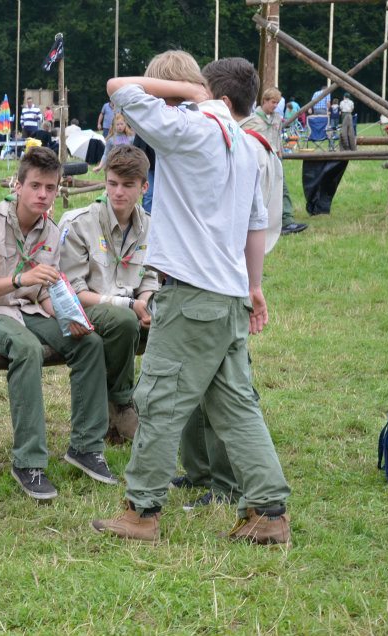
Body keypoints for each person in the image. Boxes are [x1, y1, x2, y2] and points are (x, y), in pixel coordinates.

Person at [91, 52, 292, 546]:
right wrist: (254, 286)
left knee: (158, 402)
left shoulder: (190, 129)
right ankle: (268, 511)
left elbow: (118, 85)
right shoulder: (248, 146)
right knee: (237, 407)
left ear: (204, 93)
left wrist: (188, 93)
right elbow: (255, 224)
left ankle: (141, 512)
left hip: (190, 296)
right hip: (227, 299)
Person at [0, 147, 118, 500]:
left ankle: (86, 448)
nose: (43, 195)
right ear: (17, 185)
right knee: (26, 348)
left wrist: (67, 316)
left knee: (89, 344)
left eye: (50, 187)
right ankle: (28, 462)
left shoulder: (52, 231)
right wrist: (19, 281)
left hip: (27, 309)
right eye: (35, 186)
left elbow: (44, 291)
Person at [58, 145, 158, 444]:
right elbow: (73, 292)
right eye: (112, 183)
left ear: (144, 186)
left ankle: (160, 409)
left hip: (132, 308)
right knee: (124, 321)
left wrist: (150, 303)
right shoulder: (78, 223)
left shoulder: (150, 226)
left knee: (175, 322)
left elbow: (150, 277)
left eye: (128, 186)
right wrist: (131, 304)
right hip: (87, 306)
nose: (118, 193)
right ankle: (122, 403)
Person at [246, 87, 307, 236]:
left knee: (282, 189)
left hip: (275, 158)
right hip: (259, 161)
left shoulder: (277, 119)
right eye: (273, 102)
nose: (275, 106)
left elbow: (278, 137)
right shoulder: (252, 120)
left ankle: (287, 221)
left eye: (277, 103)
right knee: (259, 192)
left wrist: (280, 153)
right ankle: (256, 222)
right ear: (264, 101)